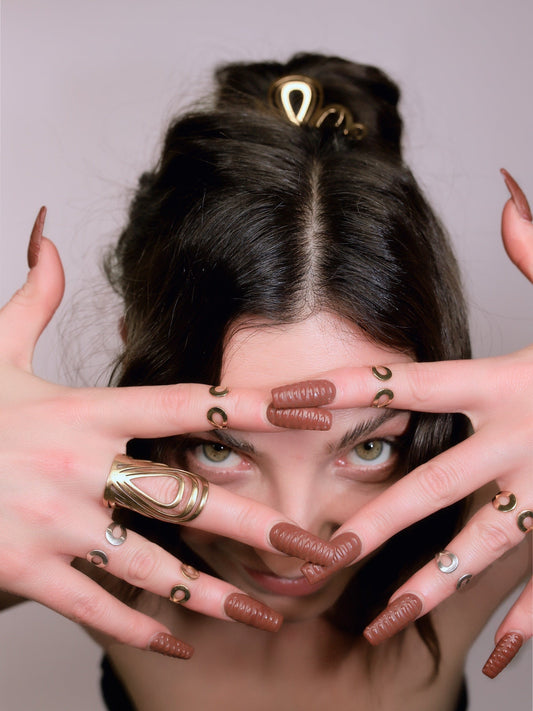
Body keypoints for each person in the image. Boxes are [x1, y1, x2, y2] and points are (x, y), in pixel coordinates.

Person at [0, 53, 530, 710]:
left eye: (369, 447)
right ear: (136, 354)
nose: (292, 544)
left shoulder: (504, 516)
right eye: (218, 449)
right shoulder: (69, 527)